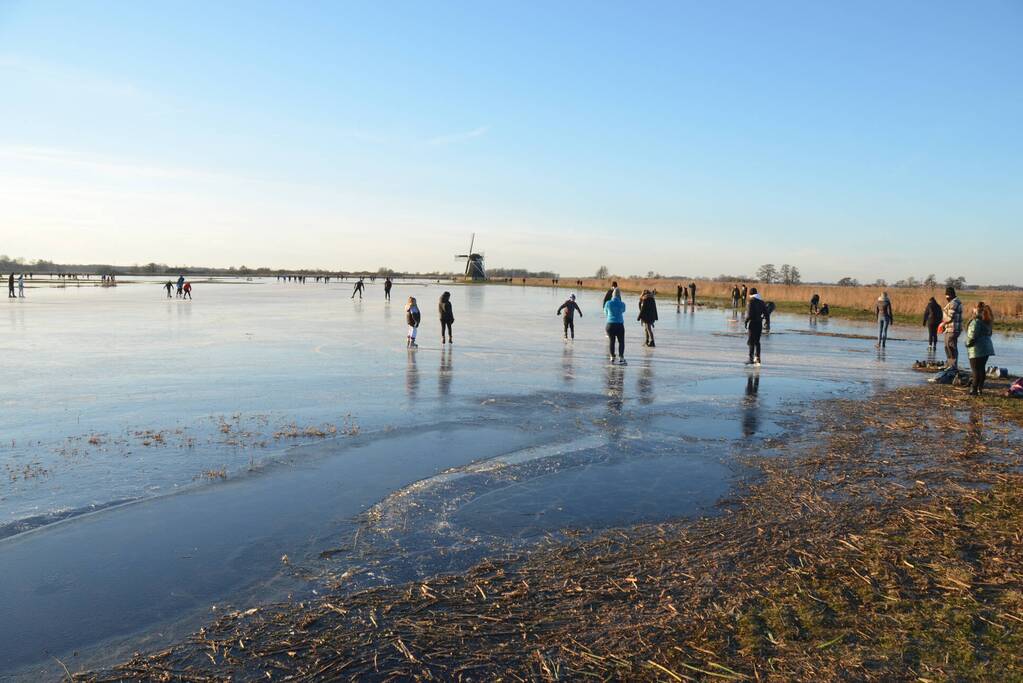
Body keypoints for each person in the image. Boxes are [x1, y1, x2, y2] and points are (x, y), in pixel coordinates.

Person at [965, 302, 995, 396]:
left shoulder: (976, 322)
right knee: (981, 369)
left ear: (976, 310)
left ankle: (973, 389)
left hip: (976, 349)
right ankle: (979, 389)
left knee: (975, 370)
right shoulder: (988, 321)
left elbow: (971, 336)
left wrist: (967, 344)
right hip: (987, 348)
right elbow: (989, 333)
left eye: (974, 308)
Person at [744, 287, 767, 365]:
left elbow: (750, 314)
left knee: (751, 341)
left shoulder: (751, 302)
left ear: (750, 294)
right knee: (757, 341)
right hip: (759, 324)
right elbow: (766, 313)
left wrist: (746, 321)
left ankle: (750, 359)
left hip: (753, 323)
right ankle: (758, 358)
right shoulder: (761, 302)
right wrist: (767, 321)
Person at [603, 287, 627, 365]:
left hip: (610, 324)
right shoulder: (622, 304)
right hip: (619, 324)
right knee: (621, 341)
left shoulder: (608, 303)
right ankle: (621, 357)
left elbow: (605, 312)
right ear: (619, 295)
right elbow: (623, 310)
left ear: (612, 295)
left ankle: (612, 357)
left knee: (611, 341)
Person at [942, 287, 963, 370]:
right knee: (948, 346)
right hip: (950, 328)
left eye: (947, 295)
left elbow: (949, 317)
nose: (946, 297)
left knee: (950, 346)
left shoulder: (954, 303)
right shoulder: (954, 302)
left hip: (953, 329)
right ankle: (950, 364)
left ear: (950, 295)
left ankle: (953, 365)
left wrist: (942, 323)